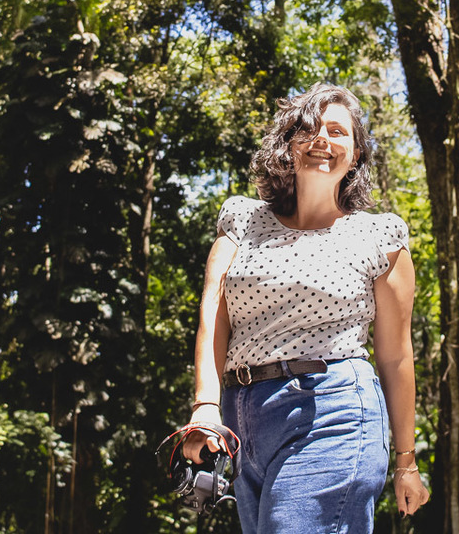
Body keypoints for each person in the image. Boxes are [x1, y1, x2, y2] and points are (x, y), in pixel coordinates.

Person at [181, 83, 430, 532]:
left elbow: (395, 356)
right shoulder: (241, 219)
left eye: (338, 131)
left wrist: (406, 461)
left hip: (332, 411)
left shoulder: (380, 236)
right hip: (243, 423)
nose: (322, 139)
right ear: (287, 145)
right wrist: (205, 406)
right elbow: (213, 314)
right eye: (309, 128)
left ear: (354, 155)